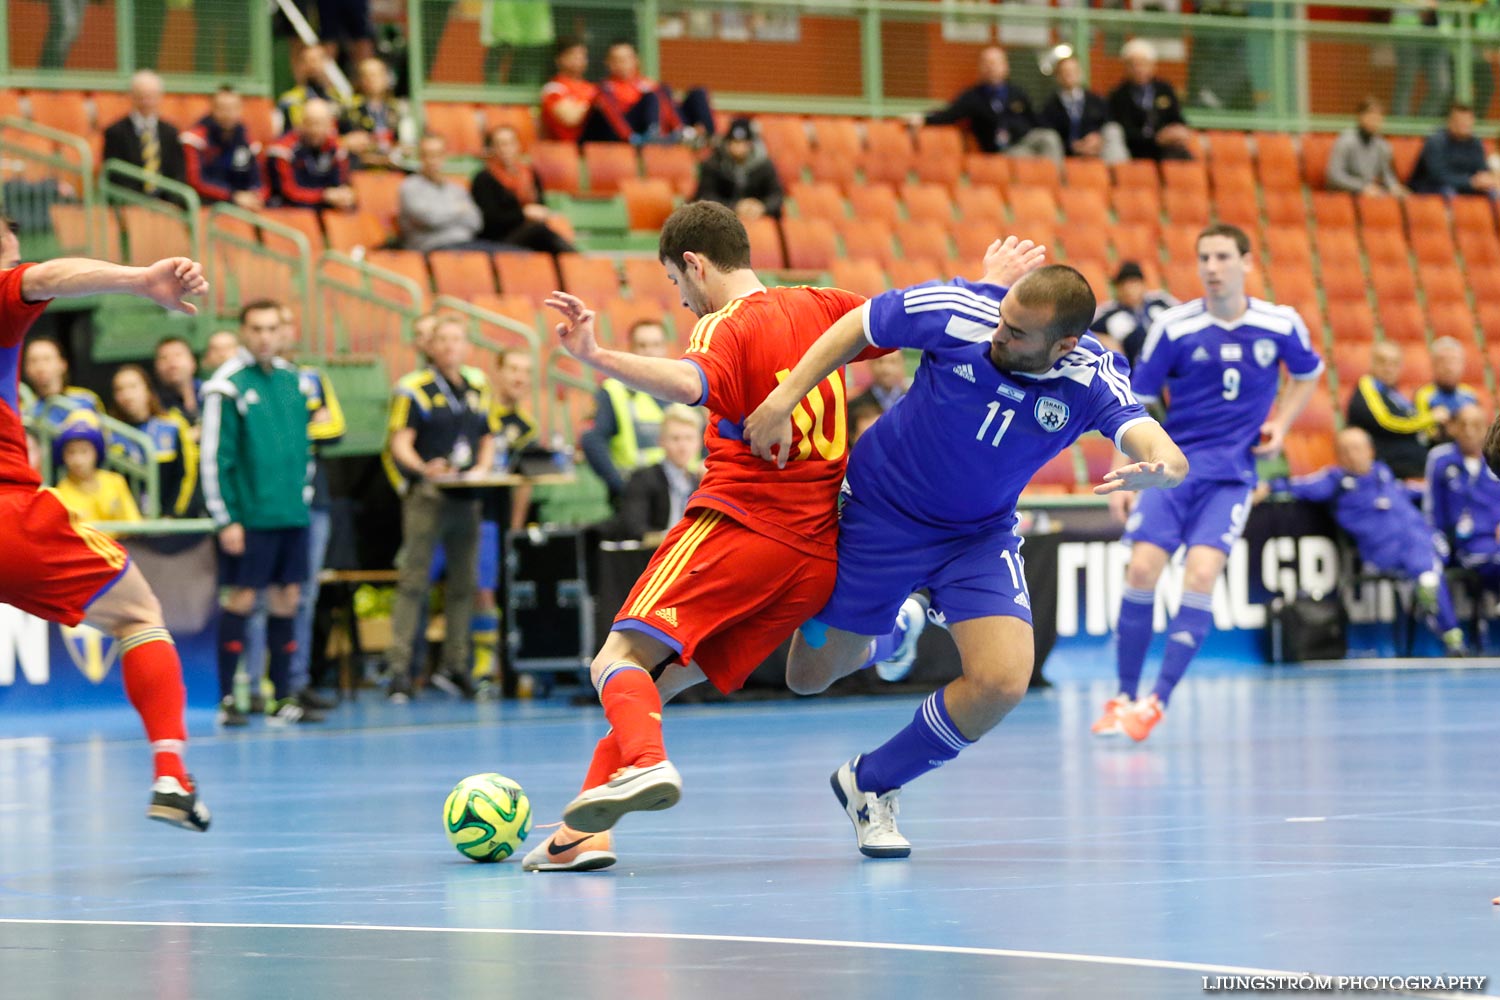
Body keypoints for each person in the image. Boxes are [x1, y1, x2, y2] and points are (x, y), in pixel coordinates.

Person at [741, 246, 1185, 857]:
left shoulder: (1089, 377)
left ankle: (871, 785)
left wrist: (1164, 468)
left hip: (976, 536)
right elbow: (856, 324)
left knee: (1003, 682)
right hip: (880, 516)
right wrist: (784, 397)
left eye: (1017, 333)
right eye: (1002, 318)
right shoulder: (960, 311)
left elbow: (1151, 437)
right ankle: (897, 630)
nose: (998, 335)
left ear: (1064, 345)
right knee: (807, 678)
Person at [520, 201, 880, 872]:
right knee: (656, 685)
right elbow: (900, 322)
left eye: (676, 284)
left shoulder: (726, 322)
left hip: (743, 524)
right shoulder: (824, 303)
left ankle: (649, 764)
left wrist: (596, 355)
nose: (681, 302)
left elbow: (692, 382)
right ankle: (582, 836)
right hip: (813, 556)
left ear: (695, 263)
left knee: (613, 660)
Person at [0, 218, 212, 831]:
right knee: (139, 613)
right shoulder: (5, 291)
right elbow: (49, 276)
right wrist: (140, 280)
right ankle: (171, 776)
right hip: (9, 518)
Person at [1098, 223, 1323, 742]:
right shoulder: (1174, 327)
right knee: (1141, 570)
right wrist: (1124, 472)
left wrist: (1283, 423)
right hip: (1171, 468)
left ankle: (1156, 702)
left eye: (1223, 257)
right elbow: (1133, 402)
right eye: (1204, 258)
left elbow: (1308, 373)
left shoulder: (1279, 323)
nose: (1212, 268)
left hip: (1231, 476)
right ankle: (1123, 696)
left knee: (1200, 576)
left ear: (1247, 263)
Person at [200, 300, 323, 728]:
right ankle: (227, 699)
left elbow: (305, 449)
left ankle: (283, 695)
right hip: (249, 518)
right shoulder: (226, 385)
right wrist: (226, 518)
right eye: (257, 328)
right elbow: (215, 458)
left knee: (288, 599)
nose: (266, 336)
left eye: (273, 328)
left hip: (291, 514)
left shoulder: (296, 381)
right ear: (243, 332)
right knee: (242, 599)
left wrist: (303, 495)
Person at [1271, 427, 1465, 655]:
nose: (1352, 455)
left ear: (1370, 451)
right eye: (1345, 450)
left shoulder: (1383, 474)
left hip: (1424, 541)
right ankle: (1441, 611)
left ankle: (1435, 597)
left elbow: (1411, 492)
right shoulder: (1336, 481)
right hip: (1385, 552)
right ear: (1338, 455)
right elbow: (1296, 486)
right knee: (1425, 563)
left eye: (1357, 448)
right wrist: (1266, 487)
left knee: (1430, 550)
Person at [384, 315, 497, 703]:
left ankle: (456, 666)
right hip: (428, 495)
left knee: (464, 583)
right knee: (414, 581)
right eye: (442, 340)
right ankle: (399, 669)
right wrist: (422, 468)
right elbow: (400, 441)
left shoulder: (478, 384)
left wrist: (482, 468)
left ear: (467, 346)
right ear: (430, 346)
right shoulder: (412, 389)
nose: (450, 346)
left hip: (466, 495)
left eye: (457, 339)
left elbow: (487, 436)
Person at [910, 45, 1063, 164]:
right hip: (1001, 150)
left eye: (995, 63)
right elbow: (949, 115)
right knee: (1024, 156)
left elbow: (1036, 119)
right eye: (987, 63)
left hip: (1025, 139)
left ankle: (1058, 187)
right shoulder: (972, 97)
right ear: (980, 67)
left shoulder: (1017, 93)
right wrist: (924, 119)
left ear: (1005, 66)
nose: (991, 67)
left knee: (1049, 137)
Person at [580, 318, 673, 506]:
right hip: (636, 499)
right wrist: (621, 486)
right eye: (642, 345)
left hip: (682, 494)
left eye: (656, 344)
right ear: (631, 349)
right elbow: (592, 441)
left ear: (665, 349)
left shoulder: (683, 390)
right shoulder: (613, 392)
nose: (650, 351)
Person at [600, 404, 704, 542]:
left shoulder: (699, 481)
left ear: (699, 443)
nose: (683, 446)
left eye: (689, 438)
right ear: (661, 441)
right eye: (675, 438)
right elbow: (634, 529)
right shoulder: (643, 479)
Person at [582, 40, 715, 146]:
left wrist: (679, 128)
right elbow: (613, 116)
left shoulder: (648, 84)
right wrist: (630, 137)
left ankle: (707, 138)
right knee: (651, 95)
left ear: (635, 60)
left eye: (625, 59)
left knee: (698, 93)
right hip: (630, 130)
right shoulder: (605, 88)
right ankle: (662, 135)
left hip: (665, 128)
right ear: (608, 63)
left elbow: (668, 108)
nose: (620, 64)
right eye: (616, 59)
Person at [107, 363, 198, 518]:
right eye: (119, 389)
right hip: (128, 528)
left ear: (147, 390)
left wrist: (172, 514)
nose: (127, 395)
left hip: (172, 524)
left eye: (133, 387)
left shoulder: (172, 425)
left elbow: (187, 474)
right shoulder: (110, 432)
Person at [1427, 404, 1500, 595]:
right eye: (1463, 425)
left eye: (1476, 425)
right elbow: (1431, 512)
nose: (1469, 432)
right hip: (1467, 546)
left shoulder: (1495, 461)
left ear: (1487, 429)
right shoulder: (1440, 460)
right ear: (1452, 428)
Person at [1346, 340, 1445, 480]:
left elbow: (1410, 420)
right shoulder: (1368, 387)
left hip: (1412, 468)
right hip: (1389, 473)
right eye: (1382, 362)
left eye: (1394, 363)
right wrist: (1429, 418)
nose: (1388, 368)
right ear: (1372, 363)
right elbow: (1387, 421)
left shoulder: (1393, 394)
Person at [471, 124, 576, 253]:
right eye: (500, 144)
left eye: (510, 143)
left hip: (533, 232)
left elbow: (541, 206)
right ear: (492, 148)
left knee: (555, 228)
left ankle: (575, 264)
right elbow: (489, 220)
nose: (505, 149)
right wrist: (523, 214)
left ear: (518, 146)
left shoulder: (530, 173)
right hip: (501, 238)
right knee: (539, 231)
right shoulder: (484, 178)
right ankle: (578, 262)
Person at [102, 70, 188, 199]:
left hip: (167, 204)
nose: (146, 102)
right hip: (130, 201)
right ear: (131, 97)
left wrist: (170, 200)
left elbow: (178, 173)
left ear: (159, 98)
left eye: (151, 96)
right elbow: (115, 175)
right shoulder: (115, 132)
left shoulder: (171, 132)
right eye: (141, 96)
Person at [50, 411, 142, 529]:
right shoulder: (60, 495)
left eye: (84, 451)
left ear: (96, 452)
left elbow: (134, 524)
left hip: (120, 544)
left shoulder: (115, 481)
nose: (78, 460)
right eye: (71, 452)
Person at [1107, 39, 1194, 161]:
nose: (1139, 69)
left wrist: (1178, 130)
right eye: (1134, 64)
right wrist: (1155, 138)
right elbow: (1124, 130)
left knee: (1183, 157)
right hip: (1136, 150)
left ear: (1153, 66)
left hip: (1166, 149)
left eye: (1143, 64)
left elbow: (1176, 116)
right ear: (1126, 67)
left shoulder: (1164, 89)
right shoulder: (1118, 95)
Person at [181, 87, 267, 211]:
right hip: (208, 205)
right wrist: (233, 196)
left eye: (233, 108)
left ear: (240, 109)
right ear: (212, 109)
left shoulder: (249, 143)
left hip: (242, 204)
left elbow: (259, 181)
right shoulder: (194, 140)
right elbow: (196, 182)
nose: (228, 113)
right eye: (223, 108)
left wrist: (255, 197)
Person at [399, 135, 484, 252]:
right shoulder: (410, 186)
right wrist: (459, 209)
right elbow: (430, 219)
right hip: (432, 247)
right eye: (428, 155)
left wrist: (443, 213)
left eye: (438, 154)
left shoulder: (457, 188)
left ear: (445, 156)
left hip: (467, 243)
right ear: (420, 158)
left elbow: (476, 222)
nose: (433, 160)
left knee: (512, 254)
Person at [267, 100, 356, 210]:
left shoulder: (337, 149)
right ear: (301, 123)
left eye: (321, 124)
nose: (316, 130)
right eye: (311, 123)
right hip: (290, 213)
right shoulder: (282, 151)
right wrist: (323, 196)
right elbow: (287, 193)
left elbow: (341, 184)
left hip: (327, 212)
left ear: (330, 124)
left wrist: (344, 196)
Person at [1039, 55, 1128, 163]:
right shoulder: (1050, 106)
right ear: (1057, 76)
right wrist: (1073, 145)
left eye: (1073, 71)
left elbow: (1107, 120)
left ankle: (1117, 175)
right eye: (1065, 72)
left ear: (1080, 73)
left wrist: (1095, 138)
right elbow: (1049, 131)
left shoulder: (1096, 101)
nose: (1069, 75)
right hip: (1066, 154)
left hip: (1098, 150)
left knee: (1113, 130)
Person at [692, 118, 785, 221]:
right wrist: (735, 207)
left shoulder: (764, 165)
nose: (739, 147)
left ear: (751, 144)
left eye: (743, 142)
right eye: (735, 142)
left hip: (757, 220)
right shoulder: (714, 164)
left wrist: (762, 207)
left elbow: (777, 195)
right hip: (720, 220)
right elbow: (705, 196)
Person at [1088, 261, 1176, 366]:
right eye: (1123, 284)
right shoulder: (1108, 312)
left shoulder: (1161, 301)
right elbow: (1083, 333)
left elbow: (1187, 317)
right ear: (1117, 288)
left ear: (1143, 284)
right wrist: (1104, 340)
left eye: (1133, 283)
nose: (1128, 289)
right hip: (1135, 367)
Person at [340, 57, 415, 171]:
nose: (371, 79)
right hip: (361, 168)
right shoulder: (349, 110)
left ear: (386, 78)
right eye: (367, 75)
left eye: (376, 75)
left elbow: (408, 145)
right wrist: (345, 141)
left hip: (394, 168)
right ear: (360, 80)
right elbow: (342, 143)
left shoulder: (400, 110)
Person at [1409, 104, 1499, 198]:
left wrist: (1485, 180)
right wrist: (1470, 182)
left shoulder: (1475, 143)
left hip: (1466, 187)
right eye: (1461, 121)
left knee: (1493, 193)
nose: (1465, 124)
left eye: (1468, 120)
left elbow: (1482, 169)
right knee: (1448, 192)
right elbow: (1438, 176)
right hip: (1430, 188)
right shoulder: (1436, 142)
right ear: (1450, 122)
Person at [1327, 98, 1408, 197]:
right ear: (1360, 117)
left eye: (1378, 118)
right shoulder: (1345, 141)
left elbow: (1386, 175)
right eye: (1371, 117)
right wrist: (1362, 187)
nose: (1374, 122)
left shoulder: (1381, 145)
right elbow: (1334, 176)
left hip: (1370, 194)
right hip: (1345, 195)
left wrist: (1394, 187)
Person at [22, 337, 101, 428]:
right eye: (33, 361)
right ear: (26, 369)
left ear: (63, 364)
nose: (40, 367)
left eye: (46, 359)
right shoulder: (23, 410)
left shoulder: (86, 399)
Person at [1416, 336, 1481, 439]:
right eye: (1443, 361)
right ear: (1433, 365)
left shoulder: (1469, 395)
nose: (1449, 367)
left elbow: (1480, 432)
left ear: (1462, 365)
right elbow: (1426, 436)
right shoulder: (1424, 396)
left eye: (1454, 361)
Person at [539, 38, 598, 144]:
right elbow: (571, 119)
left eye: (582, 55)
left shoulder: (593, 88)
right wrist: (592, 102)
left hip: (595, 144)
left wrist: (581, 106)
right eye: (573, 55)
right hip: (565, 147)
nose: (579, 59)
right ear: (559, 59)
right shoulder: (553, 88)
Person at [277, 44, 337, 133]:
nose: (313, 65)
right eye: (308, 61)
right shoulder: (289, 101)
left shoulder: (338, 99)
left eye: (317, 60)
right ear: (301, 66)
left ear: (325, 63)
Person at [153, 335, 203, 429]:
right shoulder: (155, 404)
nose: (172, 363)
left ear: (193, 362)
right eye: (164, 358)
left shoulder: (209, 393)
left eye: (178, 355)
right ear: (156, 367)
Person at [848, 350, 908, 414]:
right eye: (880, 362)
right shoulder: (855, 407)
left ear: (902, 364)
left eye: (893, 361)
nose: (886, 369)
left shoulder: (913, 403)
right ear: (870, 364)